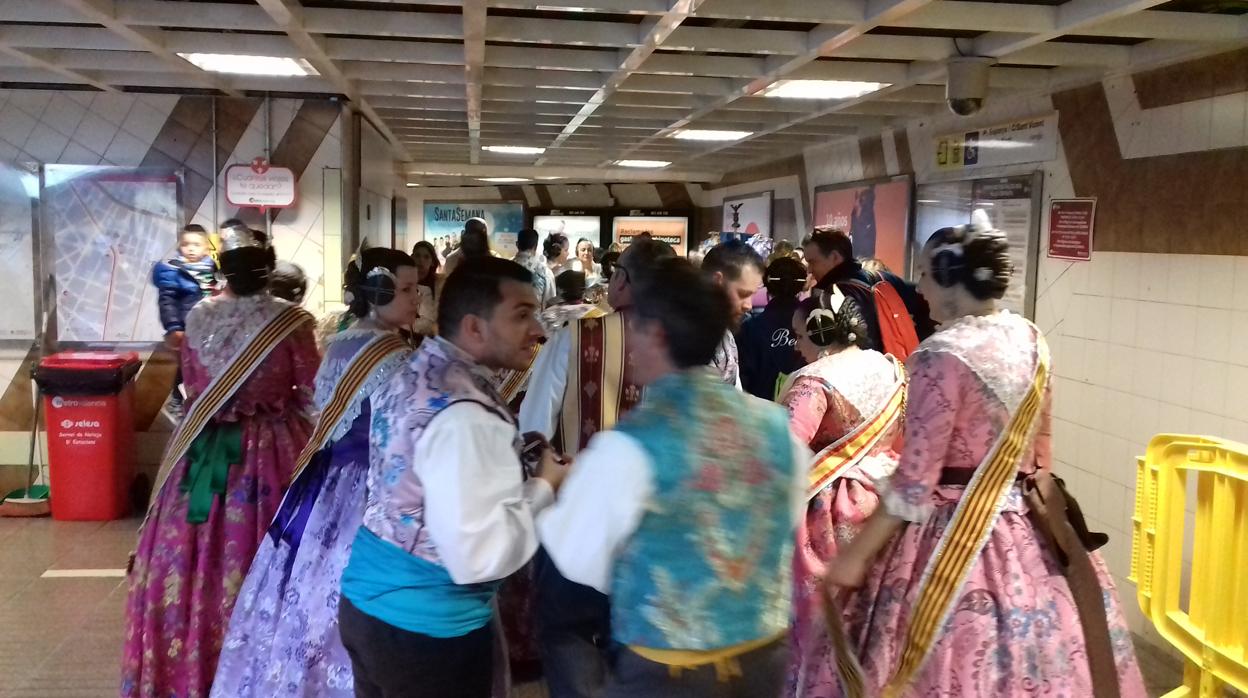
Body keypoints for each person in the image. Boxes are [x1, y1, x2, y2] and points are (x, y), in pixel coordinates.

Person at [820, 221, 1146, 697]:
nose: (921, 289)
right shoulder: (1032, 339)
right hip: (1025, 526)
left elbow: (914, 485)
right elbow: (1040, 456)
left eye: (928, 276)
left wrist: (856, 555)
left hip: (951, 531)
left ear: (951, 277)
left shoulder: (940, 355)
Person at [538, 257, 809, 697]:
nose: (629, 345)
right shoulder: (778, 429)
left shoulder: (630, 446)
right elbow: (787, 517)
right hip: (764, 656)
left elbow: (578, 560)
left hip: (669, 673)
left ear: (657, 334)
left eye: (636, 329)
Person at [338, 257, 568, 698]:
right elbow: (479, 558)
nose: (539, 331)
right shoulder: (466, 413)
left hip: (371, 607)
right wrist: (543, 488)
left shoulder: (414, 371)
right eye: (522, 315)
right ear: (474, 327)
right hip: (427, 632)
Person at [212, 247, 420, 698]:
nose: (417, 299)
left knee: (307, 584)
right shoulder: (396, 357)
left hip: (327, 485)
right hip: (370, 487)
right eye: (405, 290)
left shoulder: (343, 340)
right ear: (377, 291)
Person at [122, 227, 319, 698]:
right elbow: (312, 389)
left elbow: (192, 387)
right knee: (278, 548)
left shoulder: (197, 318)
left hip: (203, 451)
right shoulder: (291, 321)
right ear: (268, 267)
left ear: (221, 271)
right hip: (275, 453)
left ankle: (193, 665)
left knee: (191, 556)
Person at [519, 238, 676, 698]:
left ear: (622, 282)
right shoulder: (684, 346)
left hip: (577, 520)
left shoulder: (576, 337)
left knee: (568, 632)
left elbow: (533, 429)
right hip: (654, 526)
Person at [779, 289, 906, 698]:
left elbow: (783, 450)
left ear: (818, 330)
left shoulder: (816, 381)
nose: (797, 345)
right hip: (885, 500)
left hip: (830, 510)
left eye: (799, 335)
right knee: (873, 618)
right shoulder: (890, 367)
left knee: (821, 623)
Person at [802, 228, 935, 353]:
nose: (809, 270)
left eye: (813, 262)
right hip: (894, 368)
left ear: (835, 257)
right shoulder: (882, 278)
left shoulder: (834, 295)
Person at [152, 224, 217, 415]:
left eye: (196, 244)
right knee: (185, 366)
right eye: (186, 244)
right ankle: (177, 401)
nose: (190, 248)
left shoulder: (213, 269)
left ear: (206, 247)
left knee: (206, 366)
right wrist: (173, 326)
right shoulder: (173, 272)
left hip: (210, 329)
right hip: (186, 329)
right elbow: (167, 302)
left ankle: (203, 402)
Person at [737, 256, 806, 400]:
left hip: (759, 410)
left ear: (768, 284)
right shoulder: (812, 324)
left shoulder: (750, 328)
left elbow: (743, 378)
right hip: (805, 406)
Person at [701, 239, 765, 388]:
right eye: (742, 294)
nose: (748, 305)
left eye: (752, 295)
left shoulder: (725, 334)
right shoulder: (678, 332)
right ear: (718, 281)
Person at [514, 227, 555, 307]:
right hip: (534, 318)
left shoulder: (504, 269)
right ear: (536, 246)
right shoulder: (545, 271)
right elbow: (550, 304)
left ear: (517, 244)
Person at [411, 240, 443, 337]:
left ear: (432, 261)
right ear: (412, 257)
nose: (421, 260)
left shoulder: (441, 284)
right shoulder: (404, 282)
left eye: (426, 257)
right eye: (417, 255)